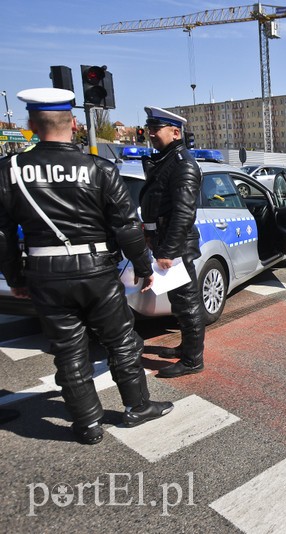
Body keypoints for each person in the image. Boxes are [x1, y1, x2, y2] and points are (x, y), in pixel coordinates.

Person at [0, 88, 173, 445]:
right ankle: (137, 408)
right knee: (121, 341)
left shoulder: (10, 170)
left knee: (68, 349)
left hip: (44, 273)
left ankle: (87, 425)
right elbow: (125, 226)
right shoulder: (98, 169)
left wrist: (16, 276)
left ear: (31, 125)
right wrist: (143, 266)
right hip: (95, 271)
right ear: (74, 123)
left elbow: (3, 233)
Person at [139, 106, 205, 378]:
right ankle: (185, 347)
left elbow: (183, 212)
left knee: (187, 303)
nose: (150, 134)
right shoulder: (167, 159)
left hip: (175, 246)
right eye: (149, 128)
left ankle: (192, 360)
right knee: (179, 302)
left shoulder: (182, 164)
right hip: (165, 241)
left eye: (156, 129)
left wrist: (167, 251)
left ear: (175, 132)